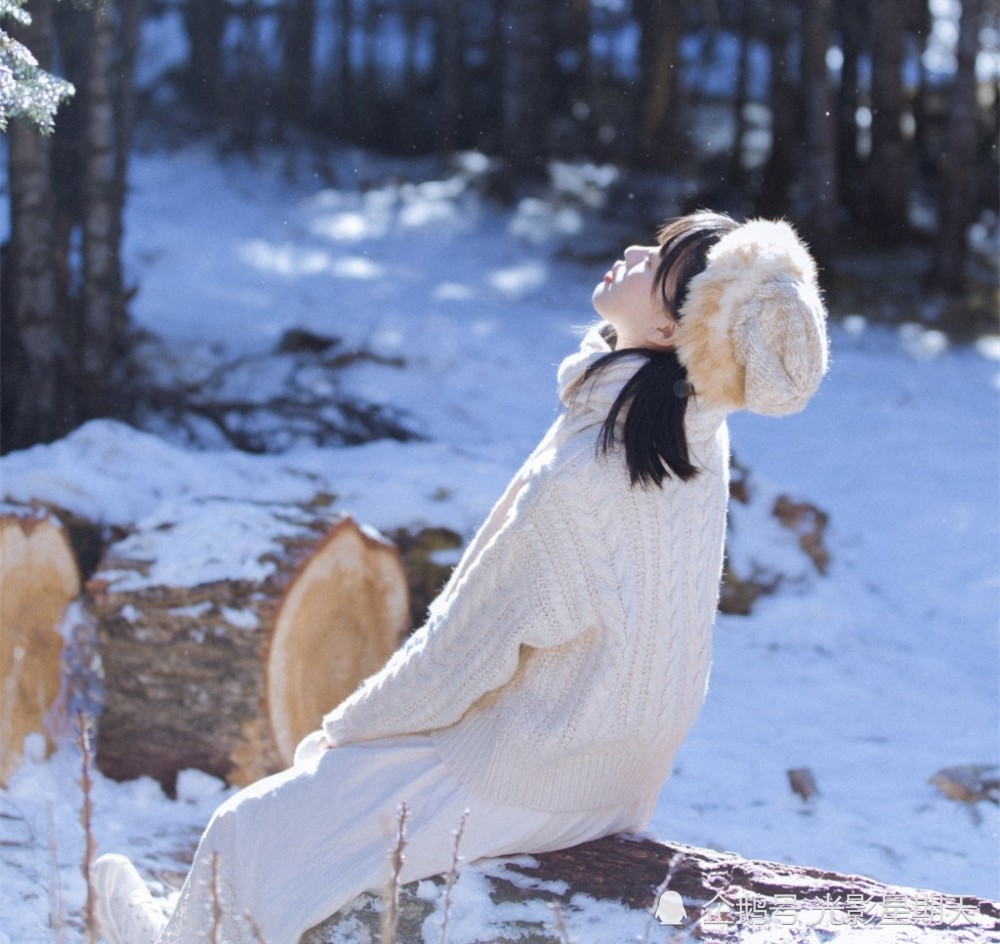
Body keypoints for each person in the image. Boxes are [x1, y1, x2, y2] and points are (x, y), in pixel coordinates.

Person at [93, 211, 828, 944]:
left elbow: (467, 646)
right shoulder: (690, 427)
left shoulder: (591, 473)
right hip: (614, 765)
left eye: (654, 264)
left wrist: (348, 735)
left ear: (672, 333)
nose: (631, 252)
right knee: (291, 830)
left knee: (246, 826)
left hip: (537, 769)